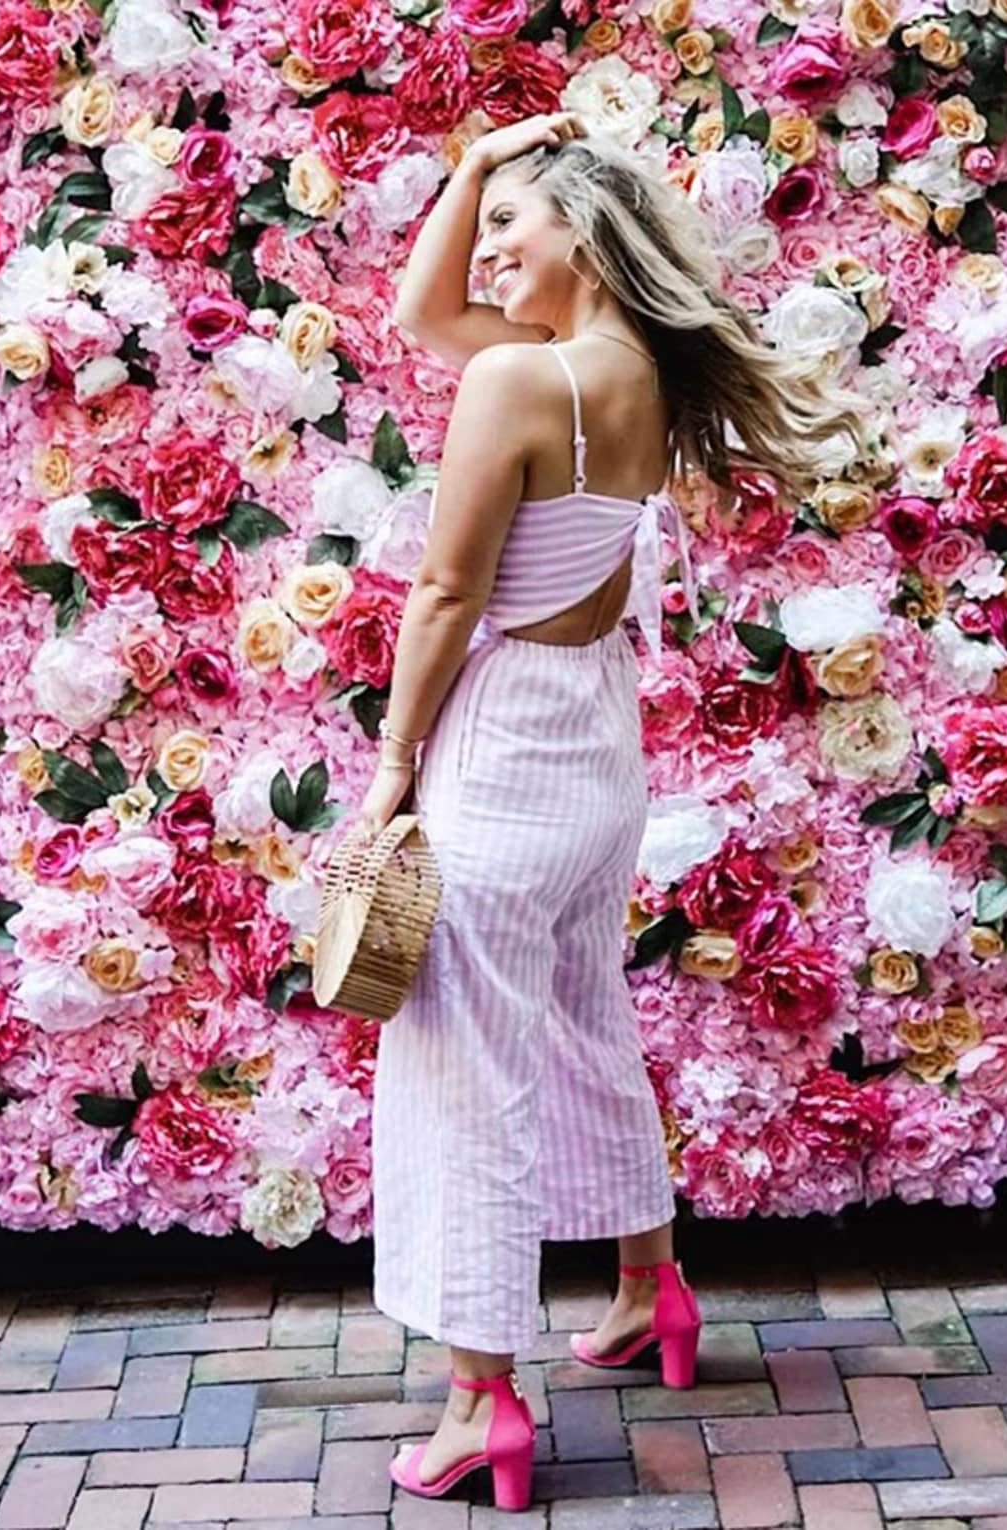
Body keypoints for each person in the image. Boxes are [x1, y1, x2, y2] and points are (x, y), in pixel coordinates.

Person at [352, 111, 872, 1511]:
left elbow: (447, 595)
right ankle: (651, 1290)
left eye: (513, 225)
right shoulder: (631, 371)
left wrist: (394, 760)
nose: (490, 255)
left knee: (466, 1063)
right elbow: (425, 310)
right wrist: (469, 169)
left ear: (578, 235)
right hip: (594, 742)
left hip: (501, 748)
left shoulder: (521, 381)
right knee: (584, 1013)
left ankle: (479, 1401)